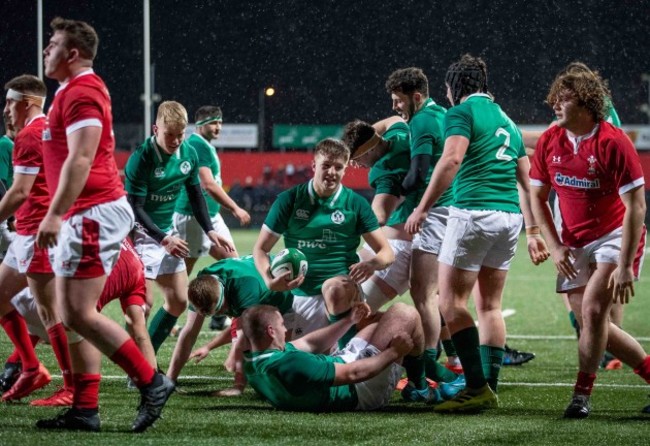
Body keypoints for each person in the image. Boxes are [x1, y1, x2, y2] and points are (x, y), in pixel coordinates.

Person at [35, 17, 173, 432]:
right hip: (84, 212)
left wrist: (55, 213)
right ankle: (85, 409)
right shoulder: (69, 91)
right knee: (71, 311)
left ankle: (152, 382)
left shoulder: (84, 91)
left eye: (53, 44)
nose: (46, 51)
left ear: (72, 53)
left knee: (78, 311)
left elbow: (81, 157)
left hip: (91, 212)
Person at [405, 54, 549, 412]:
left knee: (450, 303)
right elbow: (528, 181)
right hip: (508, 219)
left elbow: (451, 159)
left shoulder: (460, 113)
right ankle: (488, 386)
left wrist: (423, 207)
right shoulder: (508, 122)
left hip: (474, 213)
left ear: (453, 89)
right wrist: (532, 230)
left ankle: (475, 386)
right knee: (490, 306)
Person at [529, 66, 650, 418]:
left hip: (615, 235)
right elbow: (538, 198)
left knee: (595, 311)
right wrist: (554, 245)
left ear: (585, 103)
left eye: (563, 99)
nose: (554, 104)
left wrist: (626, 264)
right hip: (573, 240)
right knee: (593, 324)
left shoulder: (613, 142)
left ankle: (581, 395)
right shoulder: (552, 141)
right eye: (554, 98)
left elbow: (637, 207)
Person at [523, 61, 625, 370]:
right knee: (586, 285)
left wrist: (505, 131)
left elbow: (544, 139)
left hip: (593, 211)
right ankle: (602, 343)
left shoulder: (596, 121)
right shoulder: (589, 115)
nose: (558, 102)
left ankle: (600, 341)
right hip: (576, 209)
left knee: (595, 289)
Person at [252, 138, 394, 346]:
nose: (331, 172)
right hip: (299, 295)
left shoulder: (355, 204)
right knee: (280, 362)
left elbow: (387, 253)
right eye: (326, 166)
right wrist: (268, 279)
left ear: (345, 169)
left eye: (338, 167)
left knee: (334, 288)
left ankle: (345, 355)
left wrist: (371, 264)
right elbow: (261, 249)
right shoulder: (289, 200)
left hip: (342, 292)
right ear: (313, 166)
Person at [125, 101, 234, 361]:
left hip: (167, 232)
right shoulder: (142, 157)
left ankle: (142, 362)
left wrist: (209, 230)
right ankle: (138, 366)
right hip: (137, 234)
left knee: (178, 303)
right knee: (142, 307)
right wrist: (163, 239)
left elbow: (196, 194)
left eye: (180, 134)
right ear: (155, 129)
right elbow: (135, 208)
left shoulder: (188, 153)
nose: (175, 141)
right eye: (169, 134)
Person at [1, 238, 157, 401]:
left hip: (103, 261)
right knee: (138, 328)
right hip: (135, 265)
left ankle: (77, 394)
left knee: (75, 318)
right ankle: (154, 383)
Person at [384, 67, 462, 387]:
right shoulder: (442, 114)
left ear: (417, 97)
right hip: (452, 209)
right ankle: (451, 357)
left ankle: (428, 368)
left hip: (436, 212)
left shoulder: (422, 121)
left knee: (423, 293)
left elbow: (418, 174)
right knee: (438, 294)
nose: (395, 107)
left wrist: (386, 195)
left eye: (398, 100)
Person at [0, 74, 75, 406]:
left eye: (9, 102)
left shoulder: (30, 134)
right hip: (30, 233)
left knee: (51, 313)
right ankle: (31, 367)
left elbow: (19, 191)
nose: (6, 110)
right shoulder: (49, 130)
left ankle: (73, 386)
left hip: (37, 235)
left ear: (27, 103)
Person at [241, 302, 426, 412]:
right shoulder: (290, 364)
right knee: (405, 313)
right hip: (361, 388)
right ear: (271, 331)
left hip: (346, 365)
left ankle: (419, 378)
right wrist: (394, 352)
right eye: (282, 324)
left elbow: (310, 343)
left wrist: (349, 320)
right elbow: (353, 374)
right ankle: (419, 386)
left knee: (379, 323)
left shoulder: (253, 361)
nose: (285, 329)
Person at [166, 255, 293, 396]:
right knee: (234, 362)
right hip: (249, 289)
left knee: (277, 366)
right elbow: (189, 333)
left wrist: (238, 386)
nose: (220, 314)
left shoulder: (246, 289)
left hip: (286, 300)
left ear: (223, 295)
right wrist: (170, 379)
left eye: (220, 310)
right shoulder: (201, 287)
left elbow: (244, 337)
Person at [172, 105, 250, 332]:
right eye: (214, 123)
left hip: (209, 217)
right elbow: (208, 183)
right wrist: (235, 208)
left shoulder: (203, 145)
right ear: (200, 125)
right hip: (192, 217)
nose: (218, 127)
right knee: (182, 272)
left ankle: (219, 317)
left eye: (220, 123)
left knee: (234, 264)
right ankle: (169, 318)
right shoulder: (197, 144)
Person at [0, 112, 15, 260]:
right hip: (5, 215)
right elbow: (1, 182)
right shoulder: (4, 144)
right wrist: (11, 218)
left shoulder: (16, 145)